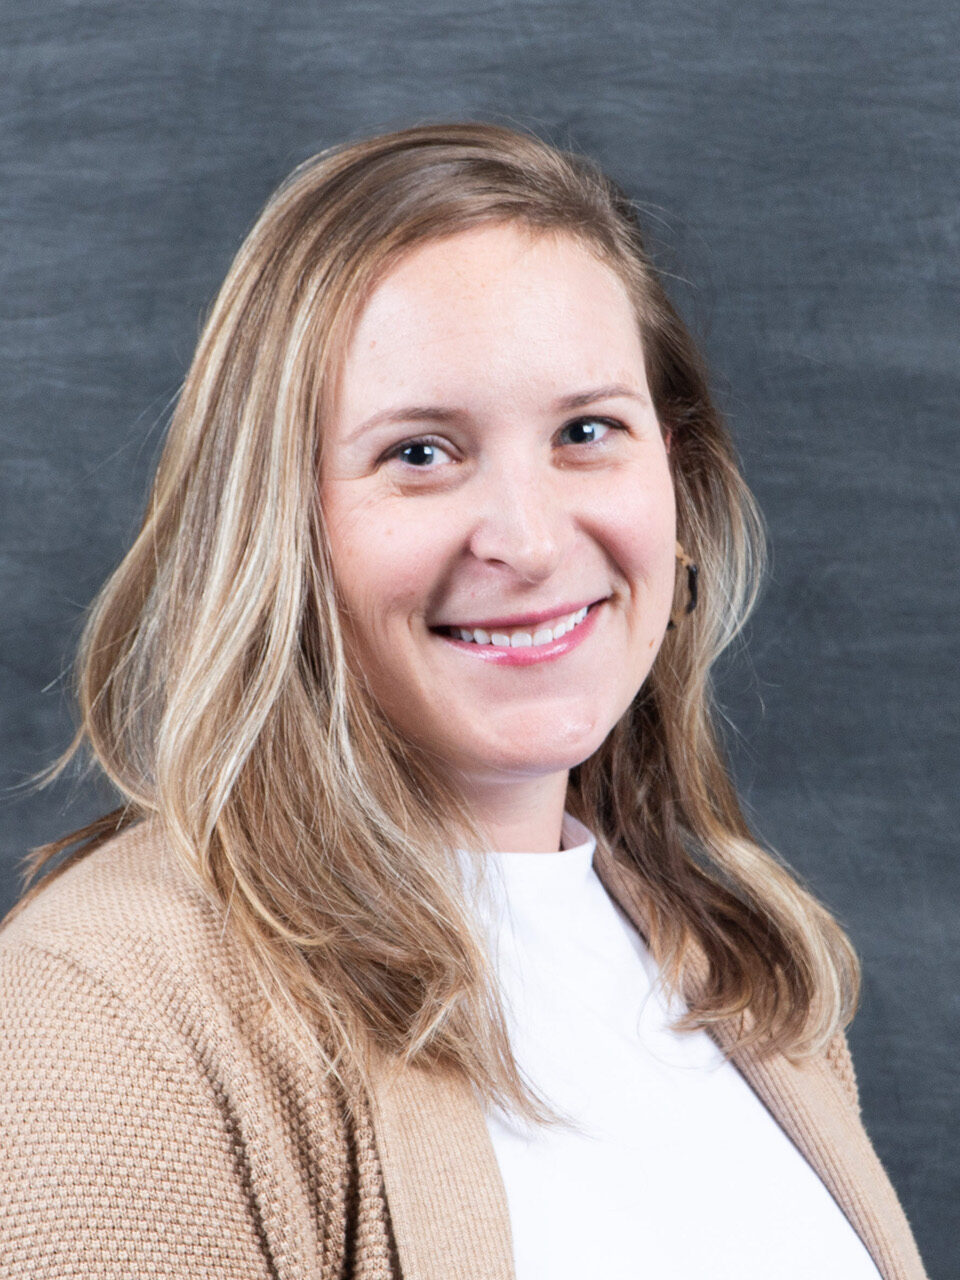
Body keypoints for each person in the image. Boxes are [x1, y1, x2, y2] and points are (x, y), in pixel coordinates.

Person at [0, 121, 927, 1279]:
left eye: (587, 431)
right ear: (276, 522)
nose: (530, 541)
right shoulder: (112, 1014)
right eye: (422, 453)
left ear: (675, 477)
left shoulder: (741, 973)